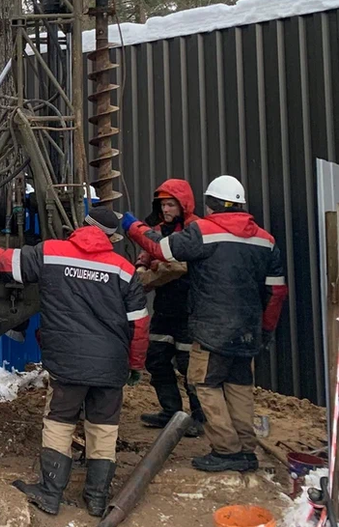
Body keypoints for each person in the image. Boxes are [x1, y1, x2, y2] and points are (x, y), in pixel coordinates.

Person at [0, 207, 150, 517]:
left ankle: (50, 493)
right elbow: (140, 324)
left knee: (60, 421)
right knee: (104, 427)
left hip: (68, 363)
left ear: (82, 227)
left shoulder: (52, 253)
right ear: (112, 237)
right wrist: (134, 365)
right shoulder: (124, 269)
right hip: (110, 364)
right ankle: (95, 498)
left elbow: (5, 262)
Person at [123, 175, 287, 473]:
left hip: (211, 329)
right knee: (239, 386)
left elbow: (162, 249)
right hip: (248, 329)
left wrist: (133, 226)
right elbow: (276, 291)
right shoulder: (266, 240)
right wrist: (265, 329)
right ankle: (246, 451)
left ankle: (226, 450)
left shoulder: (203, 231)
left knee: (204, 383)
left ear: (210, 205)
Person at [134, 180, 205, 437]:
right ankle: (171, 412)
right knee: (157, 359)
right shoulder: (158, 230)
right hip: (164, 309)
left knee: (190, 367)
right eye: (163, 204)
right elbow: (147, 253)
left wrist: (156, 271)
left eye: (171, 204)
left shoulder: (195, 228)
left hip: (189, 310)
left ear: (183, 204)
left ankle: (199, 418)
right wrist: (142, 266)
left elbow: (181, 264)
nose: (166, 209)